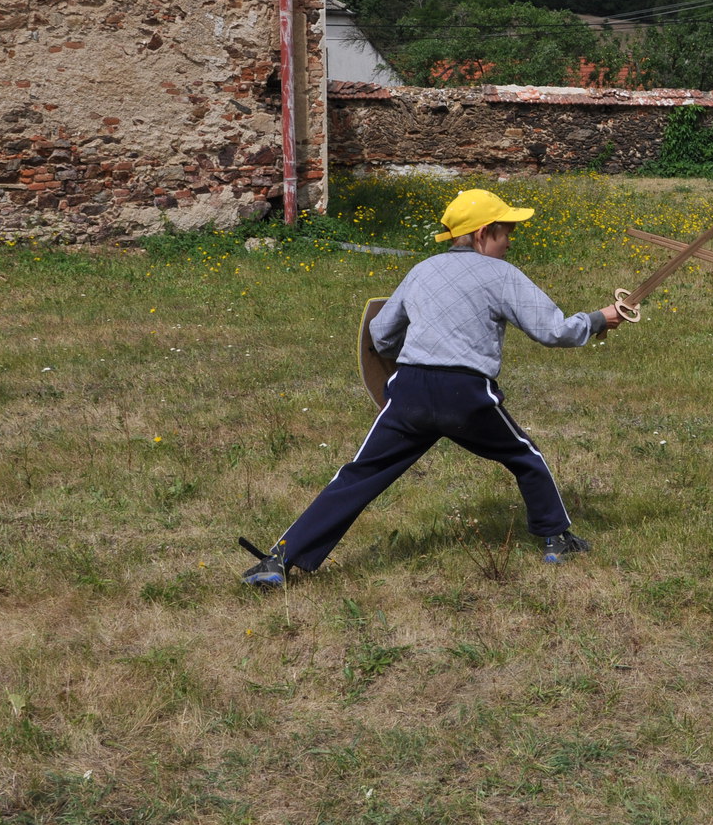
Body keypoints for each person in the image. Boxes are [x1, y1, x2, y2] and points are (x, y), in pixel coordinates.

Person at [243, 188, 623, 587]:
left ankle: (280, 559)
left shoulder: (422, 270)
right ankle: (556, 539)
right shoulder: (503, 275)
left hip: (408, 392)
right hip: (466, 396)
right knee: (525, 457)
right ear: (483, 233)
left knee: (357, 475)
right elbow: (553, 331)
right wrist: (600, 318)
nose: (510, 242)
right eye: (506, 232)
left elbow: (381, 333)